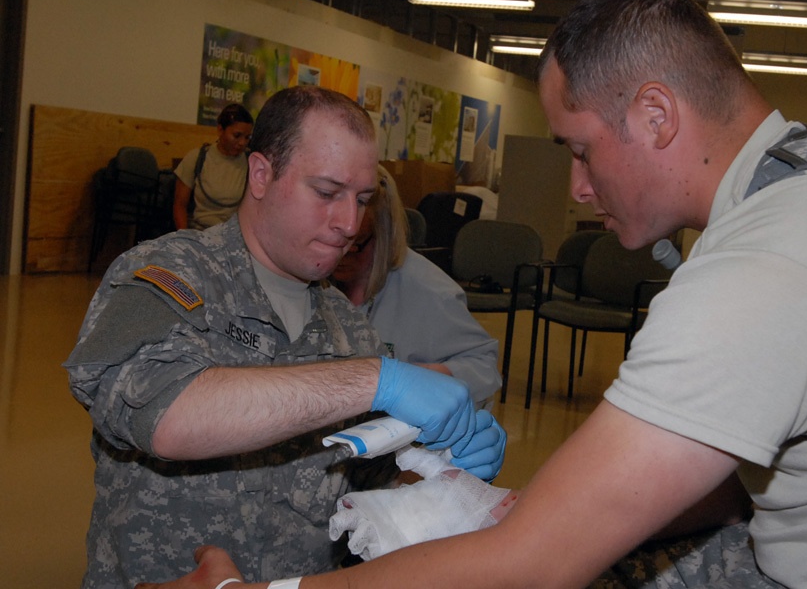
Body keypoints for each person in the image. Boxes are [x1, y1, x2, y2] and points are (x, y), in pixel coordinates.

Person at [138, 0, 807, 589]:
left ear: (654, 116)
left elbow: (532, 567)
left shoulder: (764, 271)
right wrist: (537, 512)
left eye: (579, 148)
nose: (576, 186)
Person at [65, 85, 505, 589]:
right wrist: (373, 381)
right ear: (261, 174)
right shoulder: (171, 272)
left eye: (362, 200)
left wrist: (441, 466)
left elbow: (360, 483)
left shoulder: (348, 324)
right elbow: (160, 413)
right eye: (326, 192)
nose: (348, 224)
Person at [329, 165, 502, 407]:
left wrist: (426, 375)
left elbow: (484, 365)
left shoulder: (430, 291)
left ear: (385, 235)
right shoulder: (316, 275)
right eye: (333, 241)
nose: (339, 255)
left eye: (356, 244)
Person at [173, 103, 254, 230]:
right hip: (200, 232)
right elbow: (180, 205)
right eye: (237, 136)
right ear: (220, 130)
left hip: (234, 235)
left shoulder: (252, 163)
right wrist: (184, 238)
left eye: (247, 137)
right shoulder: (196, 158)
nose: (242, 143)